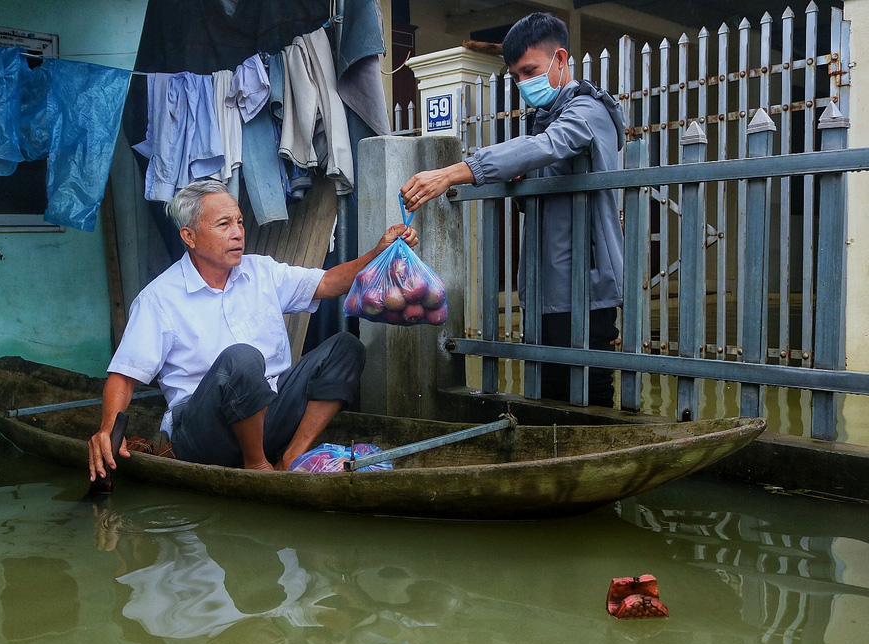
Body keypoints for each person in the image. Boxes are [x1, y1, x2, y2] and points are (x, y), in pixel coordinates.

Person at [88, 180, 417, 478]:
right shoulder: (159, 298)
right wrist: (106, 430)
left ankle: (291, 456)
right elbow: (124, 377)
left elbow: (329, 282)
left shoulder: (262, 272)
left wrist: (378, 253)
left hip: (269, 415)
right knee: (242, 360)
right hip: (204, 434)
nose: (237, 232)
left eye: (240, 222)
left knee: (346, 347)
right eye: (224, 224)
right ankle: (258, 465)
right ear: (189, 236)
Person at [400, 12, 625, 407]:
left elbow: (548, 147)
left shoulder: (588, 111)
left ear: (561, 59)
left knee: (589, 391)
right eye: (516, 76)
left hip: (585, 284)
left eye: (530, 71)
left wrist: (457, 171)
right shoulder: (545, 118)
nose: (523, 84)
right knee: (549, 390)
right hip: (546, 283)